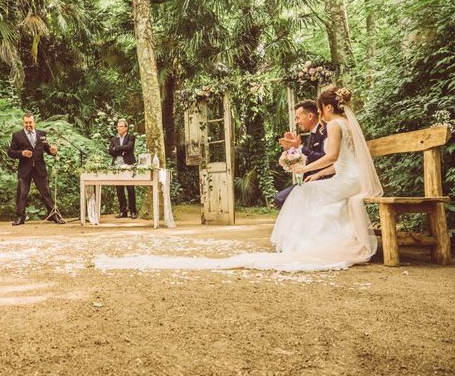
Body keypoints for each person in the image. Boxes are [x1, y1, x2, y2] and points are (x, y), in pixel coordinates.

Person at [94, 86, 383, 272]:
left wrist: (304, 171)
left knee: (303, 195)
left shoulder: (333, 125)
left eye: (320, 110)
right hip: (351, 178)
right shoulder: (344, 124)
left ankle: (310, 245)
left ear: (327, 109)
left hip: (347, 179)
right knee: (303, 194)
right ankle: (311, 241)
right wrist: (312, 170)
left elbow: (332, 158)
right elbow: (337, 161)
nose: (320, 114)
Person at [8, 112, 65, 225]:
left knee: (46, 193)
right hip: (25, 169)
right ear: (23, 122)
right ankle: (20, 217)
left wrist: (52, 151)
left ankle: (53, 215)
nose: (28, 125)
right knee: (22, 194)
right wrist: (22, 153)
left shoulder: (41, 134)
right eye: (26, 123)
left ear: (34, 122)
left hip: (39, 168)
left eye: (30, 122)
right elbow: (10, 152)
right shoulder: (17, 135)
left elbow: (47, 148)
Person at [274, 100, 330, 208]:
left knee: (281, 199)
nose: (296, 122)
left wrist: (299, 147)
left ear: (310, 116)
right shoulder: (310, 137)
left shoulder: (326, 130)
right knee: (279, 198)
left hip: (323, 179)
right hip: (310, 181)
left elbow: (327, 158)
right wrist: (291, 150)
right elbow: (306, 160)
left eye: (298, 117)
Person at [108, 119, 137, 219]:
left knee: (130, 188)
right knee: (119, 188)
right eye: (117, 126)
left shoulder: (131, 137)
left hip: (129, 164)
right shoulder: (114, 138)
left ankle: (133, 211)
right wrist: (120, 149)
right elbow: (110, 151)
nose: (118, 128)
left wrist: (117, 148)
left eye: (120, 126)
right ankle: (123, 211)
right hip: (117, 165)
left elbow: (129, 147)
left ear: (126, 128)